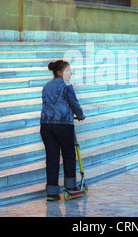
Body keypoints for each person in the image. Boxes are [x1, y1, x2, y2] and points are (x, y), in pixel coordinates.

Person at [40, 60, 86, 201]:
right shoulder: (67, 86)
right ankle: (71, 187)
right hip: (63, 125)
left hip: (46, 126)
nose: (70, 73)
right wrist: (80, 115)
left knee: (52, 158)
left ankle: (52, 191)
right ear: (59, 72)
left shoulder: (46, 86)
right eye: (67, 70)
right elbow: (74, 104)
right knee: (68, 155)